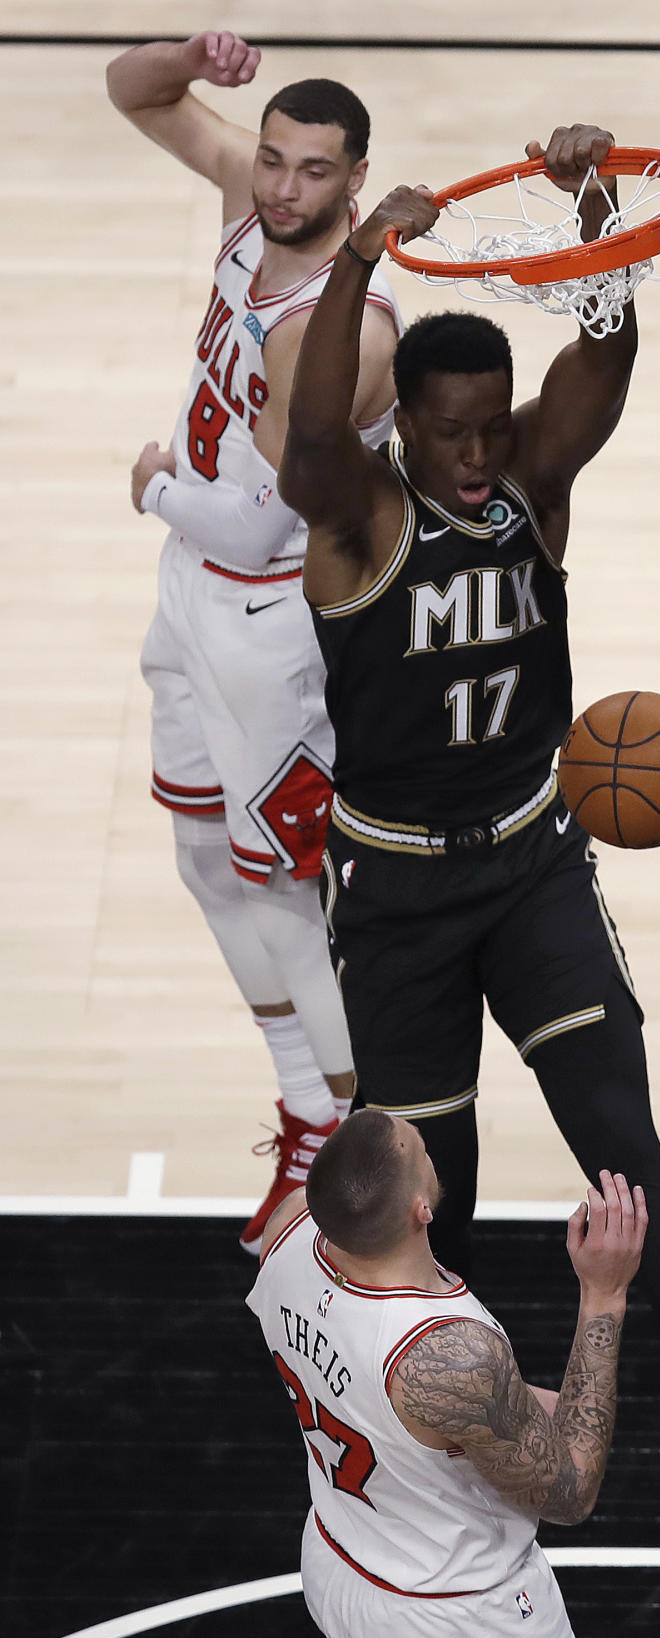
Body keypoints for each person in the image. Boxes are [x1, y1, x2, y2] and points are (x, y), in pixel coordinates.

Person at [277, 122, 660, 1542]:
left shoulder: (530, 491)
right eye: (452, 430)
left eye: (492, 425)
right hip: (393, 895)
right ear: (407, 429)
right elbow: (314, 435)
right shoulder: (361, 515)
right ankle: (474, 1429)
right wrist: (359, 257)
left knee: (620, 1139)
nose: (478, 451)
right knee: (439, 1192)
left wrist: (594, 204)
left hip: (532, 859)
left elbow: (605, 359)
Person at [105, 31, 402, 1251]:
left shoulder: (346, 329)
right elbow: (132, 94)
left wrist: (152, 489)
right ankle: (301, 1103)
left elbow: (270, 510)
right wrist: (186, 52)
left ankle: (362, 1140)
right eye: (273, 159)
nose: (281, 187)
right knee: (200, 859)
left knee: (280, 886)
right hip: (194, 590)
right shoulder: (251, 202)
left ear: (358, 177)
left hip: (265, 616)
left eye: (312, 172)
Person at [247, 1108, 647, 1638]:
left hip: (338, 1556)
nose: (426, 1143)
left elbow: (383, 1390)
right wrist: (605, 1293)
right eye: (421, 1148)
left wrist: (511, 1407)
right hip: (455, 1620)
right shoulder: (447, 1357)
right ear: (422, 1209)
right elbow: (570, 1492)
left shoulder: (287, 1228)